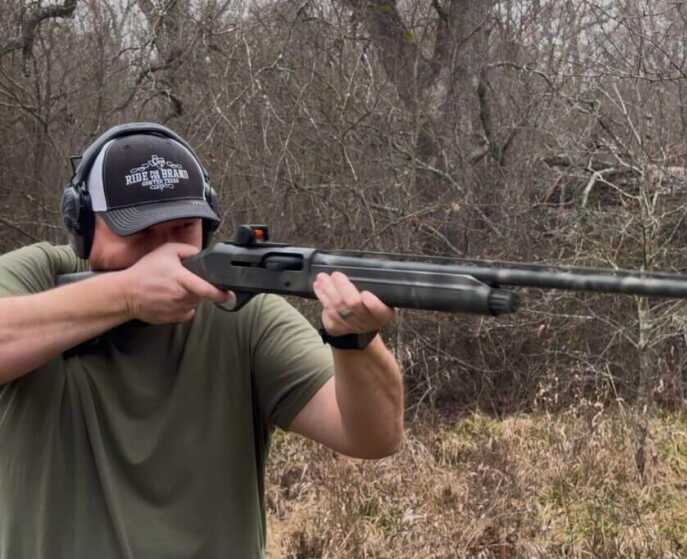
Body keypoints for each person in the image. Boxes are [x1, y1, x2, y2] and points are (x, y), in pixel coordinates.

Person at [0, 123, 404, 558]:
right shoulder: (36, 277)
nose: (164, 252)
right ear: (83, 227)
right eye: (139, 233)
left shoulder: (240, 314)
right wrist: (128, 296)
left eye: (183, 228)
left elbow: (373, 437)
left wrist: (354, 341)